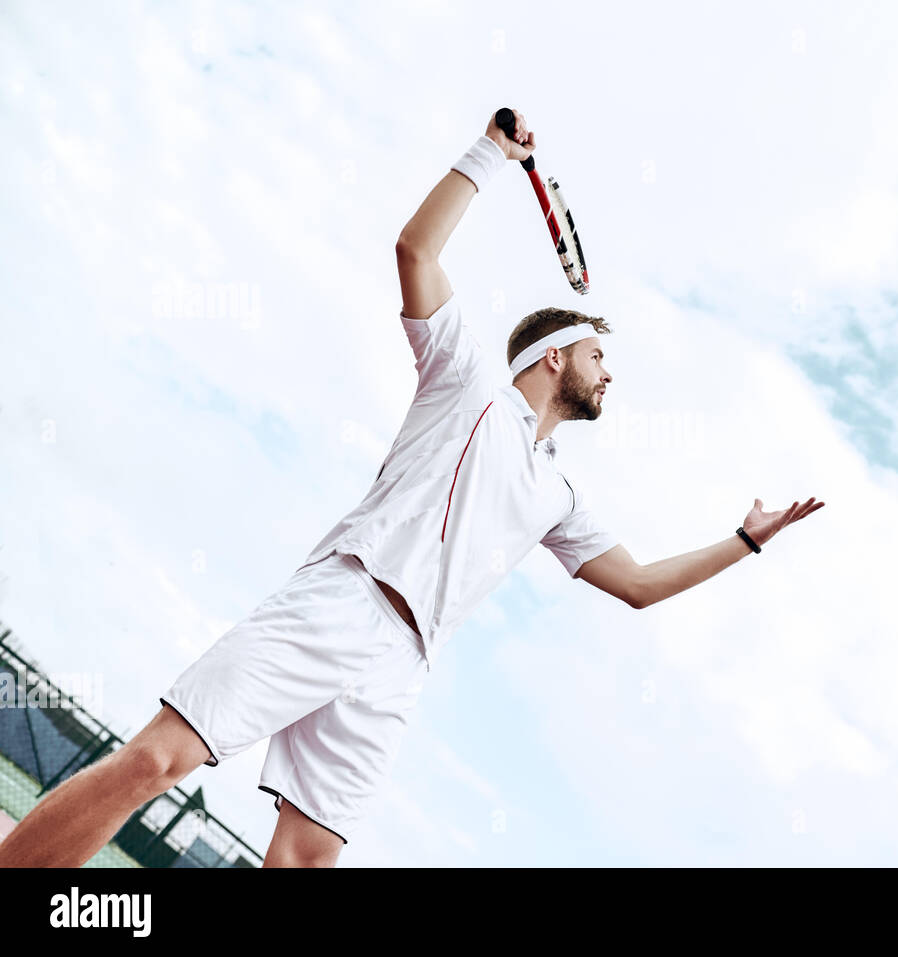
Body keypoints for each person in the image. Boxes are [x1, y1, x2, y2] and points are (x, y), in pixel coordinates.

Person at [0, 109, 825, 868]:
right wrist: (491, 155)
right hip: (344, 596)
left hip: (403, 663)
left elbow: (640, 586)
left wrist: (747, 540)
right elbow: (416, 252)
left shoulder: (561, 496)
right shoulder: (466, 379)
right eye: (599, 358)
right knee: (154, 760)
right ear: (555, 356)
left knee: (304, 859)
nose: (610, 376)